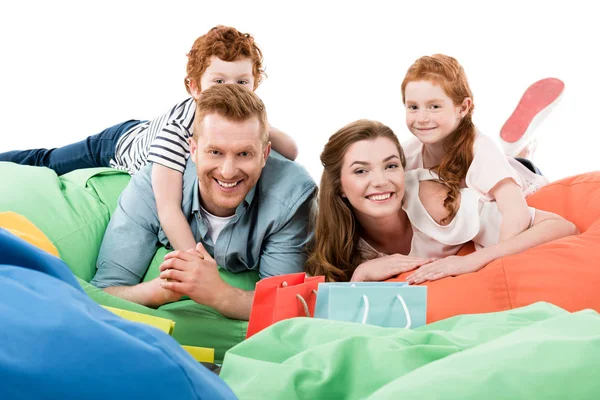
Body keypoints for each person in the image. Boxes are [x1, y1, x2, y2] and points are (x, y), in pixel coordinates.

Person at [0, 25, 298, 253]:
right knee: (49, 160)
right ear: (194, 88)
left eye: (242, 83)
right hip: (121, 142)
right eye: (218, 82)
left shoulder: (245, 121)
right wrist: (197, 260)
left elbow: (292, 150)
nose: (230, 90)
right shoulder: (177, 132)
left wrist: (259, 130)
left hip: (149, 128)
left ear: (254, 86)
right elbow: (167, 207)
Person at [90, 84, 317, 320]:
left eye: (244, 154)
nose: (228, 172)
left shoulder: (292, 196)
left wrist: (218, 294)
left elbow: (286, 307)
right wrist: (160, 291)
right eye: (215, 152)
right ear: (193, 150)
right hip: (121, 142)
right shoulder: (151, 186)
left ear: (265, 155)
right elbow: (103, 293)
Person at [305, 119, 578, 283]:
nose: (380, 181)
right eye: (361, 171)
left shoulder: (434, 202)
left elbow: (561, 226)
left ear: (403, 169)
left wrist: (474, 261)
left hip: (519, 181)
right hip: (448, 174)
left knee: (516, 173)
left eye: (390, 166)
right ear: (340, 186)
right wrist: (361, 274)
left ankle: (514, 152)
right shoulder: (340, 238)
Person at [400, 54, 562, 242]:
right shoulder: (406, 154)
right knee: (501, 161)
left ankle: (518, 150)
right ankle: (513, 150)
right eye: (413, 107)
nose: (421, 118)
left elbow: (517, 215)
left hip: (524, 177)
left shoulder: (481, 150)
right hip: (493, 170)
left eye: (434, 106)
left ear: (463, 108)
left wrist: (496, 260)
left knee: (513, 163)